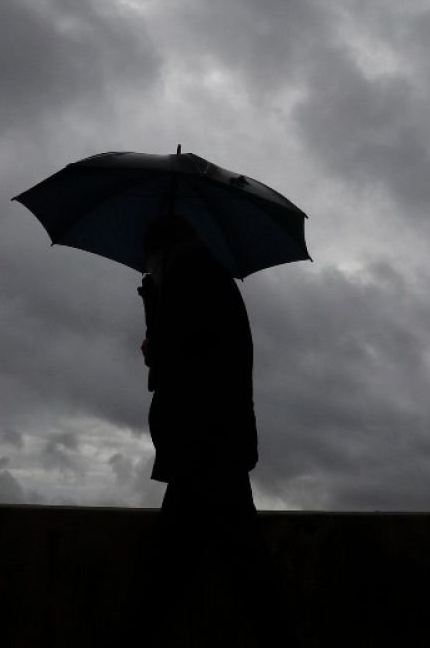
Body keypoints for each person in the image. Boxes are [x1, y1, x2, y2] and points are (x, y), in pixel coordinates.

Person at [135, 214, 272, 643]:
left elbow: (174, 362)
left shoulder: (192, 277)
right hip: (212, 445)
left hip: (204, 446)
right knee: (225, 563)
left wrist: (155, 318)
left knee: (179, 568)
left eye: (149, 257)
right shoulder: (201, 275)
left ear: (161, 248)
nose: (147, 266)